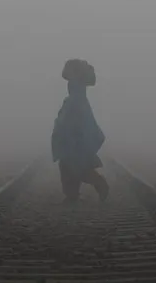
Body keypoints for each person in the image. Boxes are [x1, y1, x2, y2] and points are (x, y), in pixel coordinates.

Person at [51, 59, 109, 204]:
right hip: (74, 119)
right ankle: (72, 195)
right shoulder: (76, 87)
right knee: (67, 163)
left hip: (75, 121)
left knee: (75, 163)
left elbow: (76, 112)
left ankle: (100, 184)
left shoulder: (77, 89)